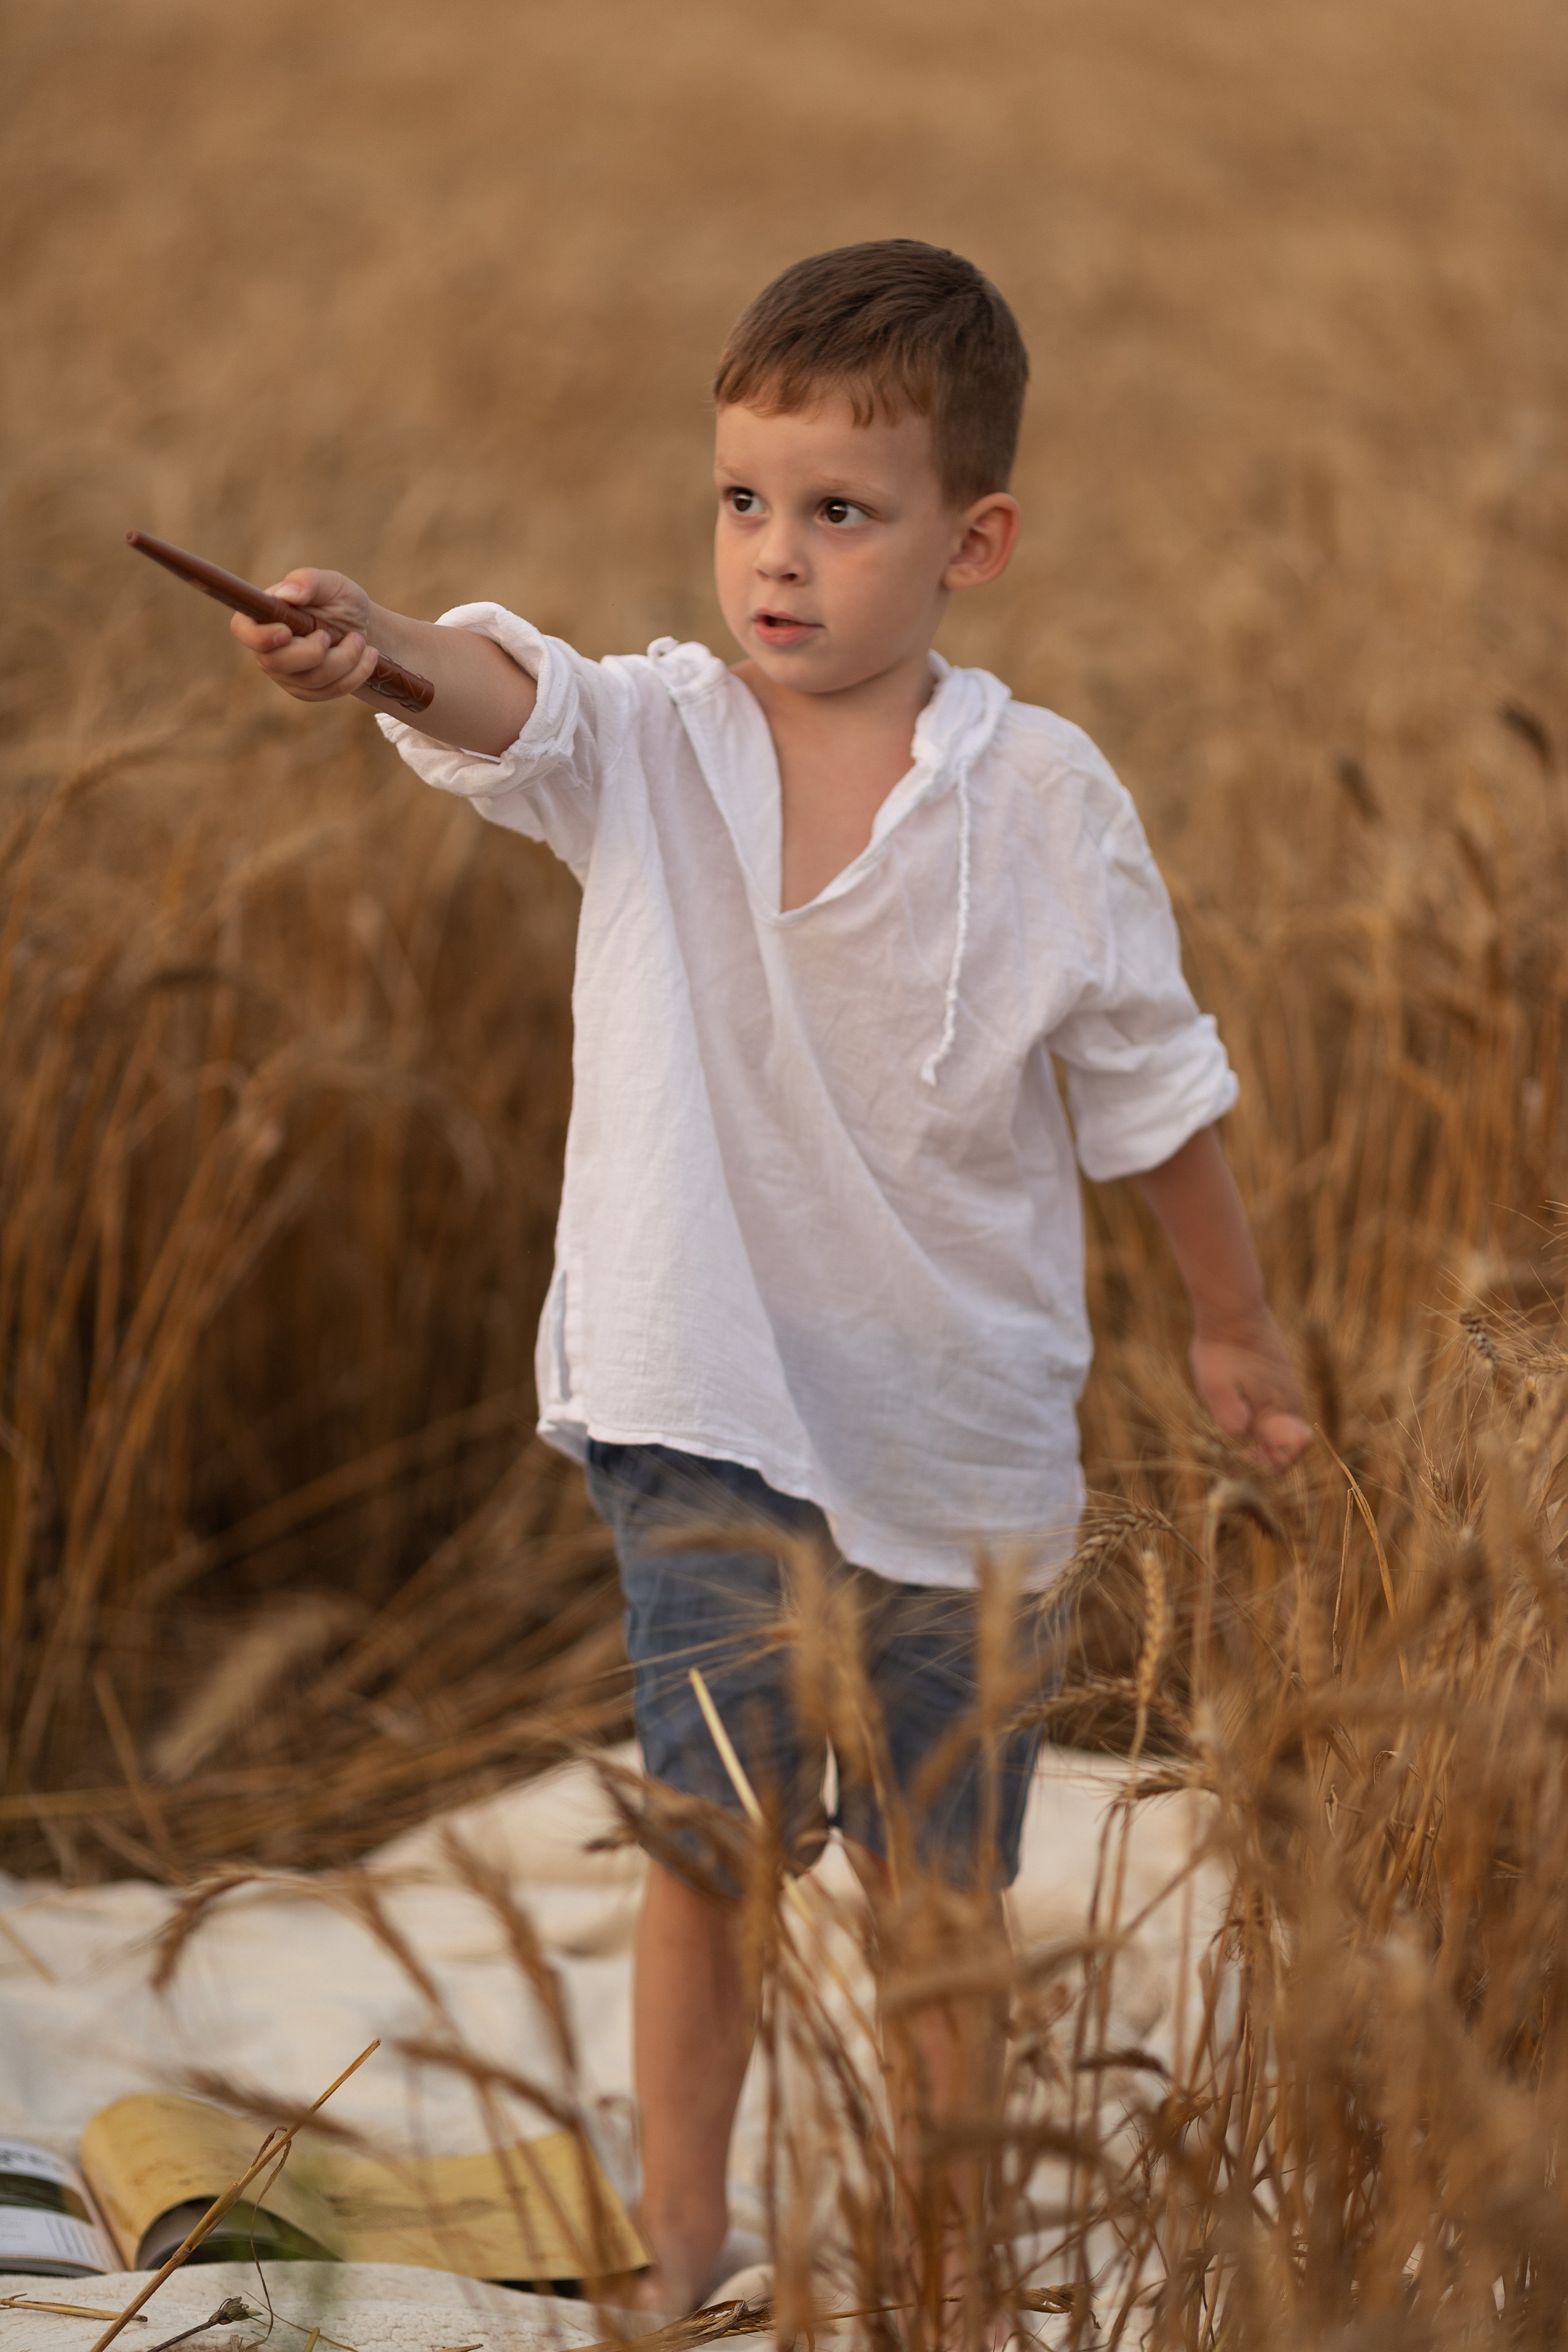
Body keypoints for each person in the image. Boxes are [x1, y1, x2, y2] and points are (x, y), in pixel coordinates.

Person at [230, 239, 1311, 2318]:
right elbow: (498, 685)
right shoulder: (657, 743)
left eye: (841, 510)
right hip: (706, 1395)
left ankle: (942, 2232)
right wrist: (371, 644)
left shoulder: (1046, 799)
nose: (776, 559)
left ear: (972, 539)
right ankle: (694, 2228)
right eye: (743, 502)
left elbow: (1153, 1086)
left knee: (936, 1889)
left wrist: (1233, 1314)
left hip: (957, 1431)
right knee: (712, 1846)